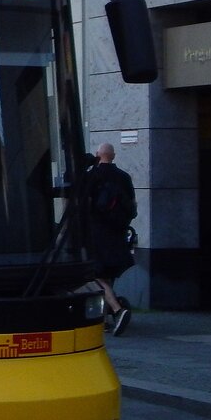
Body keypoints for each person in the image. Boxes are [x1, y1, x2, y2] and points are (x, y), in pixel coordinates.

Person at [85, 142, 137, 336]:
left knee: (94, 274)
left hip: (96, 232)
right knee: (107, 274)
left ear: (98, 155)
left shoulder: (92, 176)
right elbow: (132, 206)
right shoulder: (124, 177)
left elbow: (82, 204)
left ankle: (116, 310)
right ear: (113, 156)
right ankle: (104, 317)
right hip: (118, 232)